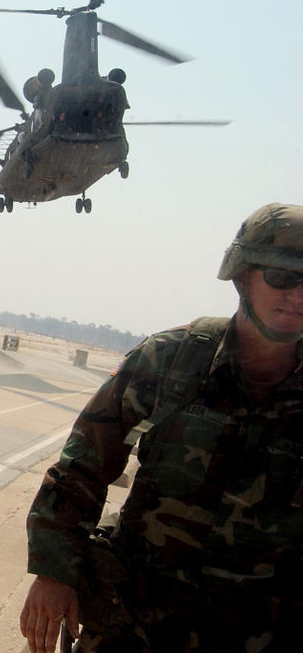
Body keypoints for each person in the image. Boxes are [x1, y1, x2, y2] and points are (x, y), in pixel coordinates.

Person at [19, 202, 303, 652]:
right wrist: (55, 572)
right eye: (283, 278)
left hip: (253, 632)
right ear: (244, 276)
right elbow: (83, 467)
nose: (298, 295)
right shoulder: (171, 360)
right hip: (134, 618)